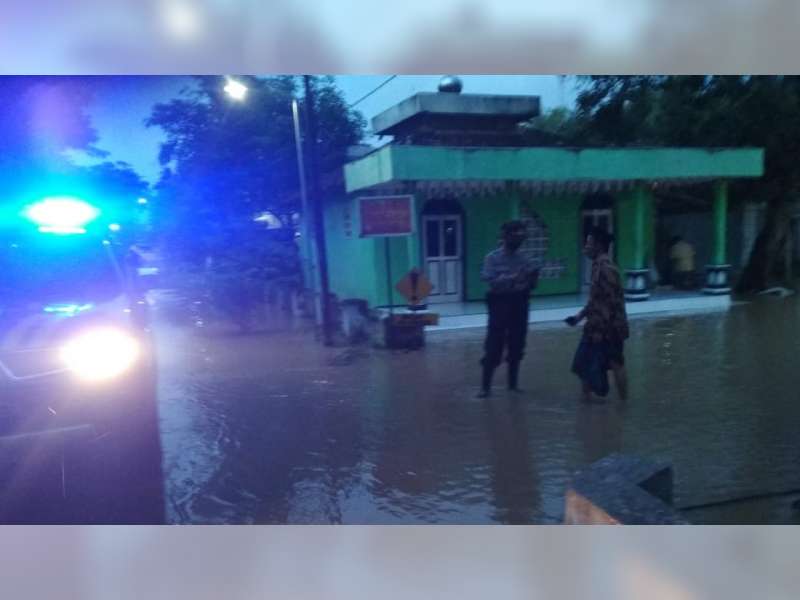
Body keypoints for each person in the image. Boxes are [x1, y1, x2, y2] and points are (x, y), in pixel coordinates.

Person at [566, 227, 629, 402]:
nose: (585, 248)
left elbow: (610, 302)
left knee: (616, 363)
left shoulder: (606, 268)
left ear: (599, 246)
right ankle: (586, 402)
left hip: (608, 327)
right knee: (585, 361)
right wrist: (579, 317)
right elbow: (596, 300)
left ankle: (623, 405)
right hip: (597, 324)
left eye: (588, 243)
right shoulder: (597, 266)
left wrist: (601, 330)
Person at [478, 220, 540, 398]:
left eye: (522, 236)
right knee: (493, 346)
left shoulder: (526, 259)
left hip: (519, 304)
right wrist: (514, 277)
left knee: (517, 344)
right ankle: (485, 388)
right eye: (515, 235)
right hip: (499, 304)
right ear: (505, 236)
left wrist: (532, 277)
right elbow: (490, 281)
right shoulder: (492, 258)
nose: (519, 239)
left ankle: (513, 386)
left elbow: (532, 285)